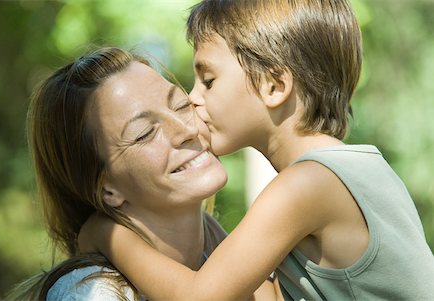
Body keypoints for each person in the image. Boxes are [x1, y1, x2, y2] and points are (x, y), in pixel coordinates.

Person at [80, 0, 434, 300]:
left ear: (274, 85)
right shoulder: (356, 169)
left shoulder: (306, 185)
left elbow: (200, 296)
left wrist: (109, 236)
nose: (192, 98)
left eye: (208, 80)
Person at [6, 46, 278, 301]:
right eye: (145, 133)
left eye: (181, 106)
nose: (187, 130)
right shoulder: (94, 292)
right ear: (107, 190)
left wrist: (107, 235)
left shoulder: (216, 255)